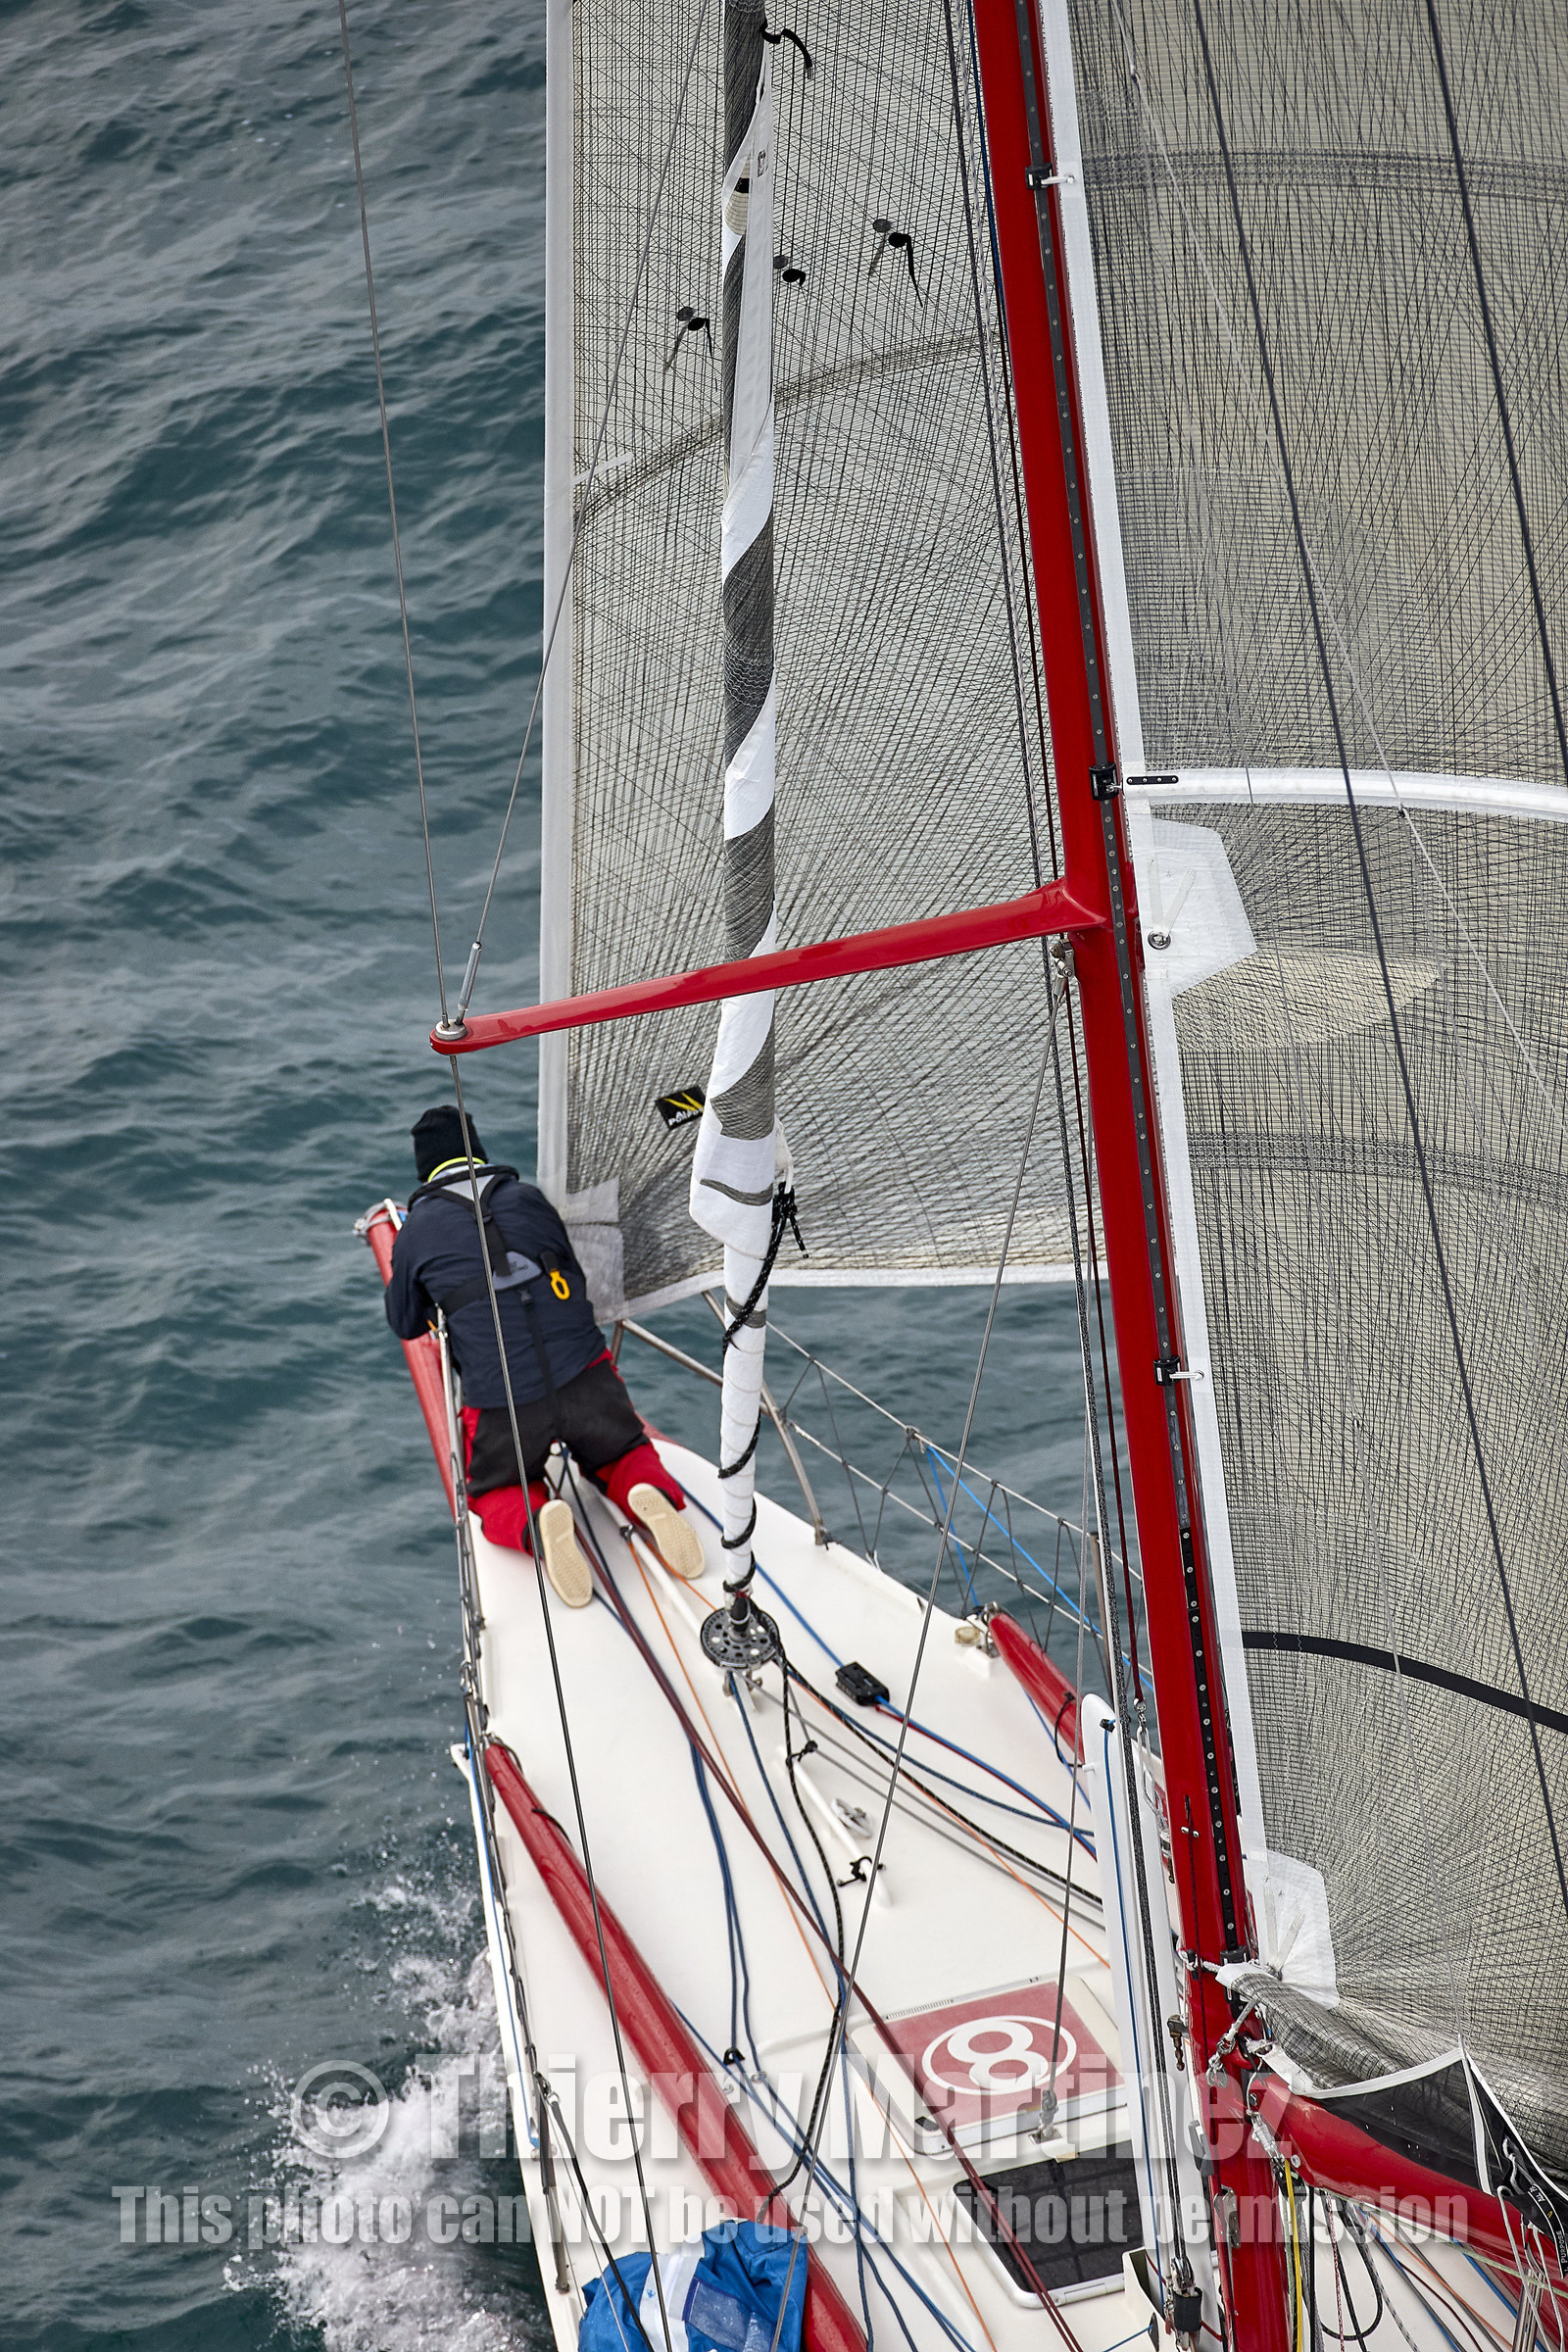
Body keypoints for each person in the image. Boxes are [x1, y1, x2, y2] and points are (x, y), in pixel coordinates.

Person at [385, 1104, 705, 1606]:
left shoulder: (416, 1232)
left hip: (503, 1403)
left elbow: (405, 1322)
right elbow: (574, 1276)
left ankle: (538, 1524)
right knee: (622, 1451)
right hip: (587, 1376)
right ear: (478, 1152)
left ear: (425, 1169)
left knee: (495, 1491)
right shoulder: (529, 1200)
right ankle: (649, 1496)